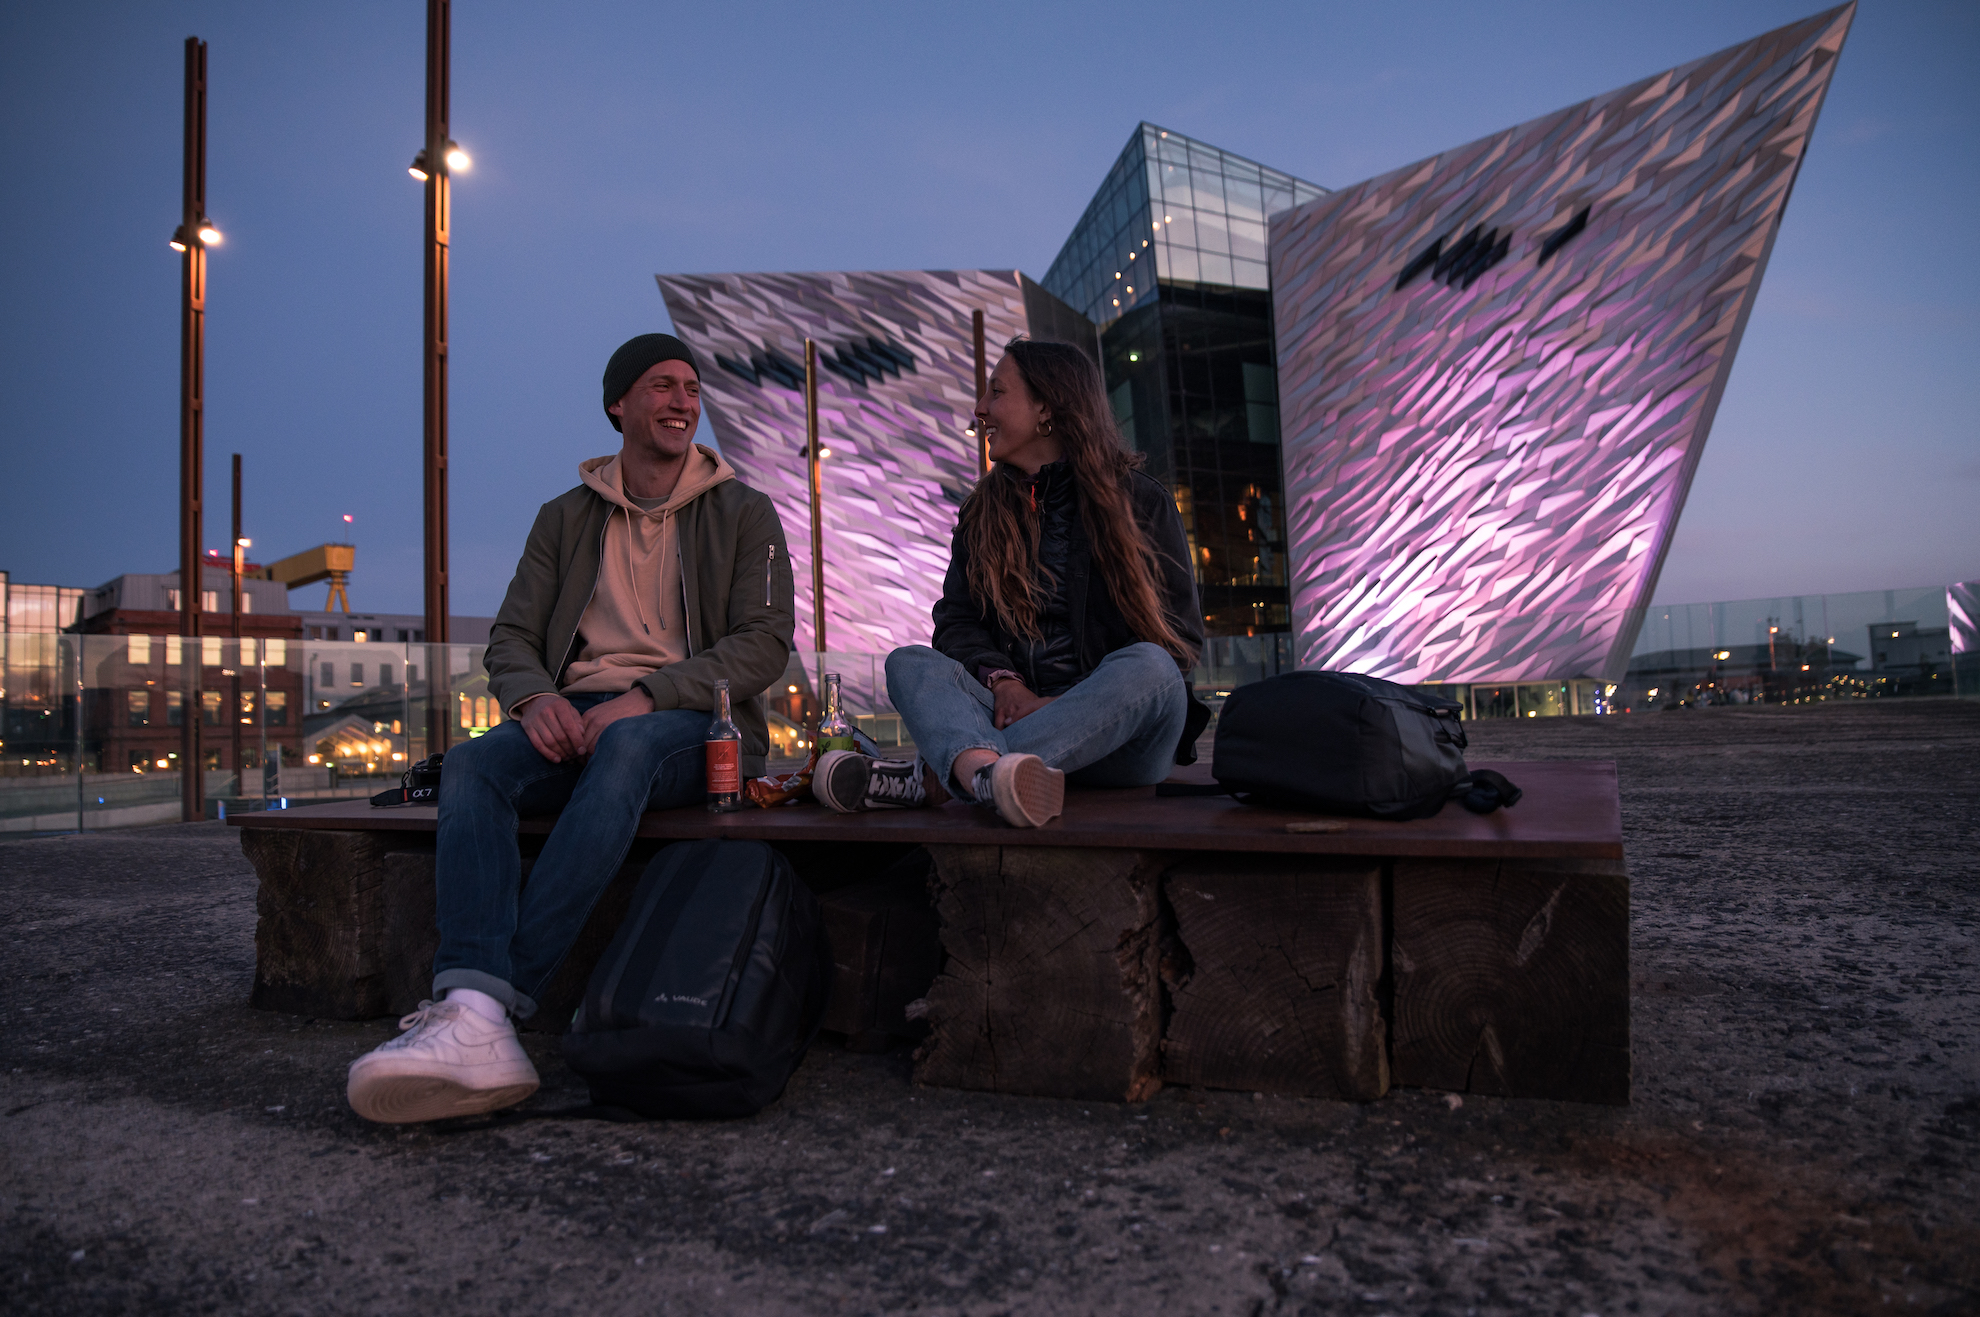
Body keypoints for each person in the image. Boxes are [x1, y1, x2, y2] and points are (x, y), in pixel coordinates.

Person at [345, 333, 795, 1124]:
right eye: (662, 385)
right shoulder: (564, 517)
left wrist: (648, 695)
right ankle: (473, 1012)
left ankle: (485, 1009)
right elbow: (512, 638)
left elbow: (763, 643)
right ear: (618, 403)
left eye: (691, 388)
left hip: (697, 723)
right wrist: (532, 702)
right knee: (475, 767)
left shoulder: (743, 510)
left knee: (624, 746)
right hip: (577, 714)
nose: (683, 401)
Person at [814, 337, 1207, 828]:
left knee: (1151, 666)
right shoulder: (981, 513)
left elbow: (1179, 643)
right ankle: (988, 776)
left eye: (996, 392)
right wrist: (1004, 682)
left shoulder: (1140, 503)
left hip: (1120, 741)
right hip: (1004, 713)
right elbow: (956, 622)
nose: (980, 409)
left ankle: (940, 778)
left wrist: (1060, 705)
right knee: (909, 663)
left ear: (1047, 409)